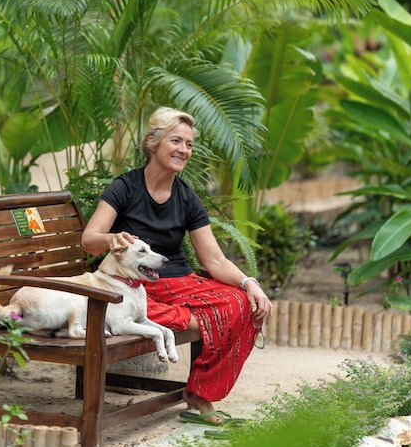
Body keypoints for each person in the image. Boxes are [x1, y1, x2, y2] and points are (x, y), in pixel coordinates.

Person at [81, 105, 273, 424]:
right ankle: (196, 349)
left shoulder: (186, 197)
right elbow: (89, 239)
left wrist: (249, 282)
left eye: (189, 144)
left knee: (243, 303)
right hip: (134, 286)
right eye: (176, 141)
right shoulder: (124, 188)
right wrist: (112, 238)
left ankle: (200, 391)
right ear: (152, 142)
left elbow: (214, 259)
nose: (184, 149)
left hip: (181, 283)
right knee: (214, 316)